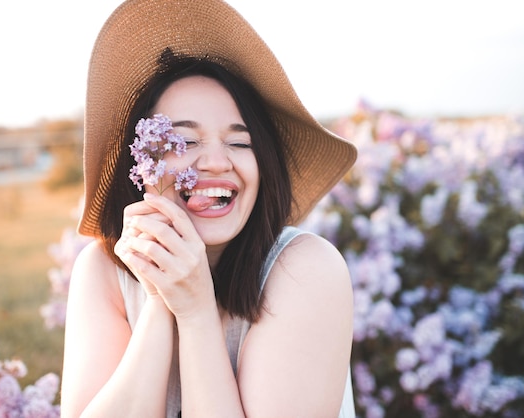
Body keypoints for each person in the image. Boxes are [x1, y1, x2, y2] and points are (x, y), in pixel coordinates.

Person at [60, 0, 358, 416]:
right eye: (183, 141)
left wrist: (197, 309)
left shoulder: (307, 269)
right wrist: (162, 296)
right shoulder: (102, 271)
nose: (217, 162)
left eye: (240, 142)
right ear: (141, 165)